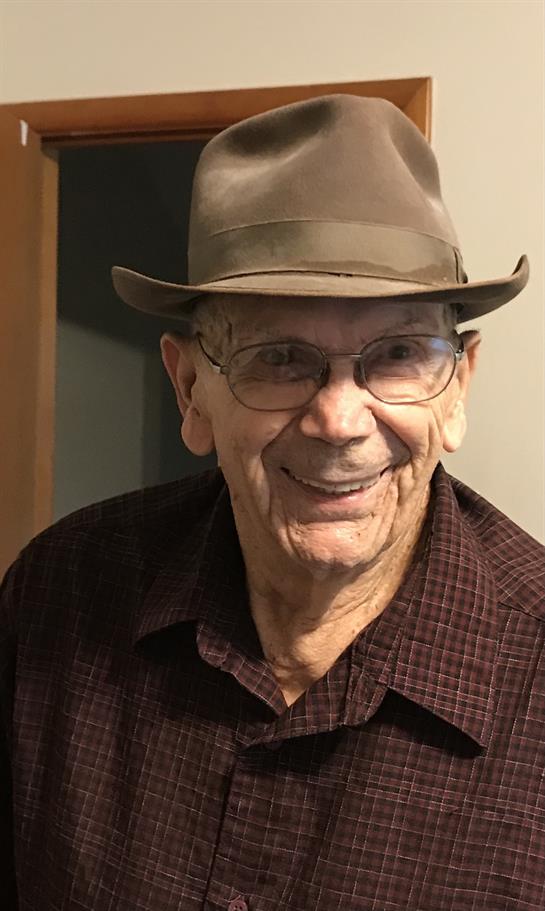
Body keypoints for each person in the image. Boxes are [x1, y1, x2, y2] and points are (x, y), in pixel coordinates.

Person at [1, 94, 543, 911]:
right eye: (278, 358)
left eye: (396, 354)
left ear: (456, 388)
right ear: (190, 388)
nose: (337, 421)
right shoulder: (59, 589)